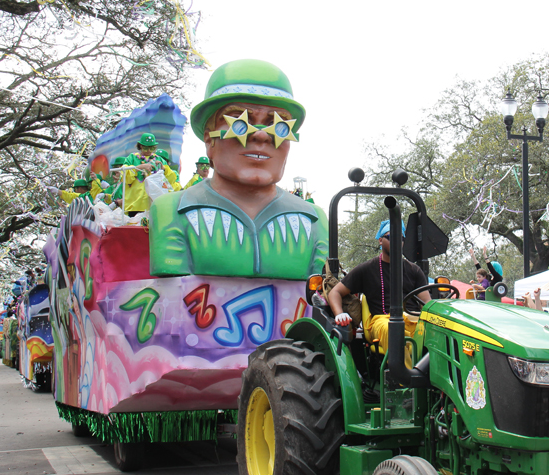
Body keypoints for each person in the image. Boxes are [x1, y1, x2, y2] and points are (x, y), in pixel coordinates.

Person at [149, 60, 328, 279]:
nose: (261, 135)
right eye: (240, 123)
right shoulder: (172, 211)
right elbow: (172, 301)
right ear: (209, 138)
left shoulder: (314, 220)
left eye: (279, 126)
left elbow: (322, 298)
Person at [328, 219, 430, 355]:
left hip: (412, 319)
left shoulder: (414, 270)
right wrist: (339, 314)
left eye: (400, 238)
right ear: (380, 240)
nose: (396, 241)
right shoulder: (367, 269)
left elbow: (426, 304)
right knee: (394, 330)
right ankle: (404, 375)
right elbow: (335, 292)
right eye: (390, 237)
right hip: (382, 321)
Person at [123, 133, 165, 216]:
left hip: (154, 204)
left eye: (152, 148)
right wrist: (140, 167)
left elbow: (170, 179)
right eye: (146, 148)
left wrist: (163, 168)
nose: (149, 151)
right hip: (135, 204)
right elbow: (124, 175)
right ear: (141, 146)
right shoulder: (132, 158)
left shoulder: (159, 159)